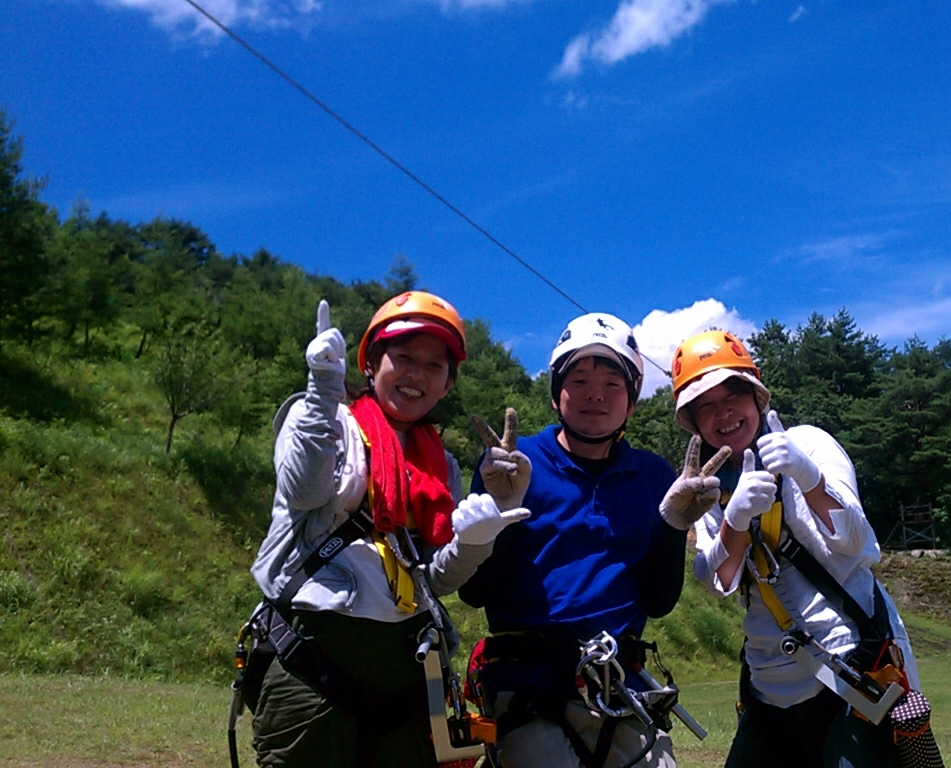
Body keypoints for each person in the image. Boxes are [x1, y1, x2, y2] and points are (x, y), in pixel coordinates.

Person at [249, 292, 529, 767]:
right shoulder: (323, 420)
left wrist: (476, 543)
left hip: (405, 663)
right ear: (371, 363)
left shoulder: (441, 466)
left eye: (434, 365)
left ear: (447, 384)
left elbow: (433, 579)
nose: (416, 374)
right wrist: (322, 390)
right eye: (402, 357)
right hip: (311, 646)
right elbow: (302, 490)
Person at [673, 330, 925, 768]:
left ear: (757, 398)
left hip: (852, 661)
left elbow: (854, 538)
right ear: (695, 423)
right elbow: (718, 581)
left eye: (733, 395)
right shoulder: (707, 488)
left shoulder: (808, 443)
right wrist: (733, 521)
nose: (724, 413)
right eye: (706, 406)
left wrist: (807, 476)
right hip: (768, 676)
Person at [459, 312, 692, 768]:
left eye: (612, 384)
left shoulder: (653, 476)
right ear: (555, 394)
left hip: (621, 681)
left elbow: (660, 601)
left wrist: (674, 527)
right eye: (579, 379)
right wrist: (502, 511)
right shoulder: (512, 463)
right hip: (530, 682)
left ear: (632, 401)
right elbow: (474, 592)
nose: (596, 395)